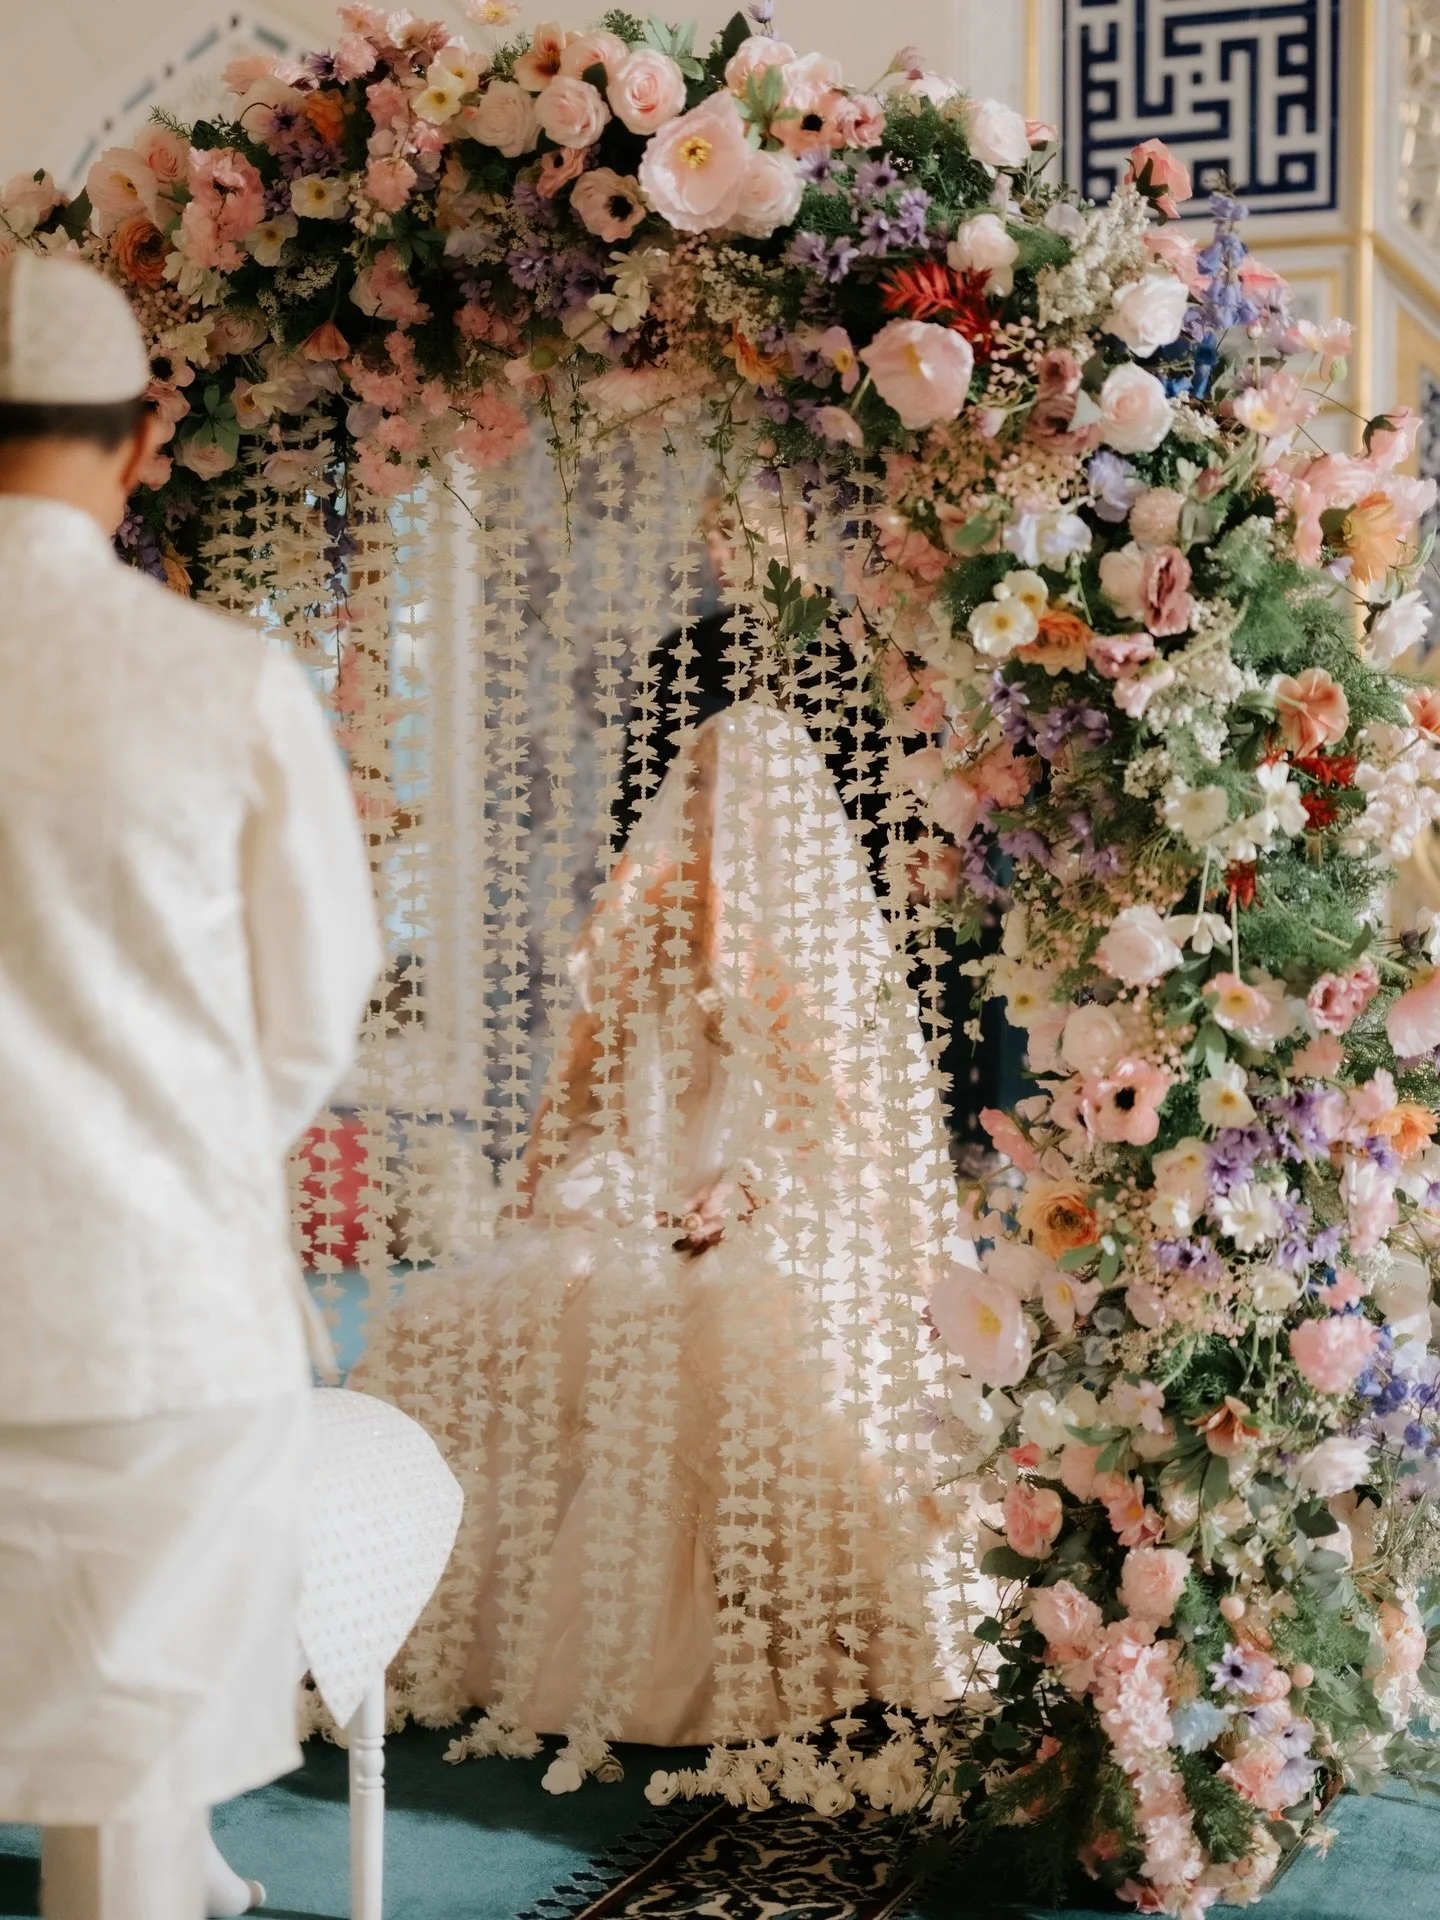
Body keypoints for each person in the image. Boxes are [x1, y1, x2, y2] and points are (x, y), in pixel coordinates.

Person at [352, 696, 967, 1779]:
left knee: (732, 1338)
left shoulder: (799, 967)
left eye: (742, 806)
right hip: (631, 1215)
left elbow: (848, 1144)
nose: (721, 822)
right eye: (710, 795)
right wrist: (589, 1193)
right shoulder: (637, 934)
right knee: (489, 1320)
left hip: (767, 1223)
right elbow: (573, 1114)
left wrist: (745, 1191)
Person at [0, 252, 380, 1920]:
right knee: (129, 1788)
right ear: (146, 440)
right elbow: (312, 1012)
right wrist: (163, 1171)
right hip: (150, 1322)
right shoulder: (223, 681)